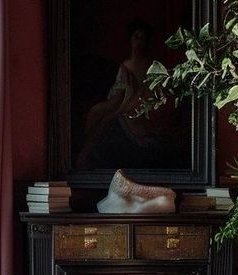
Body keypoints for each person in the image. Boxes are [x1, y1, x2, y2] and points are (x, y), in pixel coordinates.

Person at [76, 20, 179, 170]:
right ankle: (84, 151)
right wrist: (116, 104)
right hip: (124, 99)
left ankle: (85, 154)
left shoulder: (152, 65)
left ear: (146, 42)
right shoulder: (125, 65)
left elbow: (153, 92)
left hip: (141, 103)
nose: (138, 41)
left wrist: (122, 107)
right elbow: (120, 93)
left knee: (108, 119)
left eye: (142, 38)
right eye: (135, 37)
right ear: (130, 40)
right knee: (94, 112)